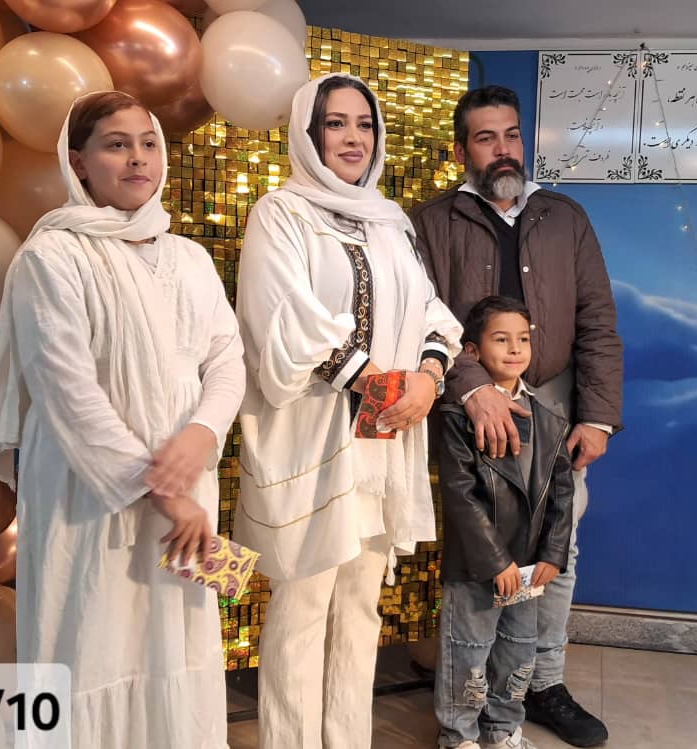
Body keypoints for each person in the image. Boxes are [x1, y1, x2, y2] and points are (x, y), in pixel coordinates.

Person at [0, 90, 245, 748]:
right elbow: (66, 391)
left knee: (179, 645)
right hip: (90, 493)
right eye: (117, 145)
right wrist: (163, 492)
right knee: (89, 644)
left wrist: (203, 432)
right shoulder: (51, 257)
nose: (138, 158)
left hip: (188, 479)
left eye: (148, 143)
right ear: (79, 162)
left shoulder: (190, 258)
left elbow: (226, 357)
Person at [234, 72, 463, 749]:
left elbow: (431, 312)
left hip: (384, 440)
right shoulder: (282, 213)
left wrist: (428, 377)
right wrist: (385, 386)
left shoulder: (391, 221)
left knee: (361, 604)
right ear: (309, 134)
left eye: (364, 124)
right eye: (336, 123)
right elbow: (282, 321)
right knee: (302, 606)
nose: (353, 138)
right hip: (314, 437)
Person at [413, 84, 623, 748]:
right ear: (461, 151)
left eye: (511, 135)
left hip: (553, 403)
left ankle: (542, 683)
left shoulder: (565, 216)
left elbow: (597, 320)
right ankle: (469, 699)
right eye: (485, 138)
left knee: (558, 543)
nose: (503, 149)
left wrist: (596, 417)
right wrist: (474, 387)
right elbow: (421, 318)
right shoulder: (431, 222)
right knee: (479, 544)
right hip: (465, 404)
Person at [435, 295, 573, 749]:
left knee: (517, 649)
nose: (515, 349)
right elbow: (460, 494)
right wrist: (495, 560)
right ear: (472, 351)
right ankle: (458, 736)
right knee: (468, 652)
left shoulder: (549, 419)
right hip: (478, 564)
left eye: (523, 339)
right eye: (501, 339)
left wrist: (552, 554)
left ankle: (502, 729)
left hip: (529, 566)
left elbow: (561, 494)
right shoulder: (457, 415)